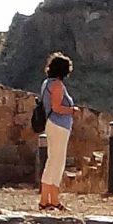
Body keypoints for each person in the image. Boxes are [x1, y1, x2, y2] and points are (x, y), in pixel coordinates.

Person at [38, 52, 82, 211]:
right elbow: (57, 107)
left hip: (51, 124)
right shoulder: (57, 85)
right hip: (59, 125)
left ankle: (46, 199)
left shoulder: (46, 83)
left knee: (52, 160)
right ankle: (53, 199)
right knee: (57, 162)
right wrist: (72, 110)